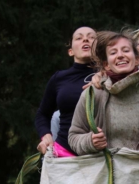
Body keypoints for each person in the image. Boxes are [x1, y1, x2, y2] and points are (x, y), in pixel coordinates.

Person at [68, 31, 139, 161]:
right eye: (113, 53)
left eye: (126, 50)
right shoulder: (93, 94)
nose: (120, 55)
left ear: (137, 59)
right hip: (104, 175)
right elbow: (74, 137)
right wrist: (90, 142)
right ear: (106, 64)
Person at [35, 26, 97, 157]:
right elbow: (42, 114)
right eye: (79, 38)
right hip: (65, 153)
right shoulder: (59, 78)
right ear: (70, 51)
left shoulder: (111, 75)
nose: (85, 39)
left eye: (91, 37)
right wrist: (46, 135)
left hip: (102, 154)